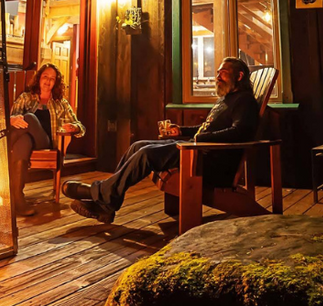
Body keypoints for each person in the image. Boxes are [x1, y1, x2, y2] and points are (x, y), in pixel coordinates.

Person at [64, 57, 258, 224]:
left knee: (146, 154)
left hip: (209, 161)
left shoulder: (245, 101)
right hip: (197, 150)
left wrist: (202, 138)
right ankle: (107, 202)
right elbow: (204, 130)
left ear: (239, 76)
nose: (217, 77)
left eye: (223, 73)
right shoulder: (225, 100)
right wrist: (180, 130)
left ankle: (101, 195)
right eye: (217, 72)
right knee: (138, 145)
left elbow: (239, 132)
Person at [9, 63, 84, 216]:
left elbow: (80, 127)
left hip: (46, 144)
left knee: (29, 117)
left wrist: (73, 127)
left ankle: (4, 146)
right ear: (38, 78)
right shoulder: (26, 97)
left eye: (52, 78)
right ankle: (18, 199)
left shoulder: (60, 102)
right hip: (28, 143)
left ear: (56, 82)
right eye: (45, 77)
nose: (48, 81)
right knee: (23, 141)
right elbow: (11, 118)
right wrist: (12, 120)